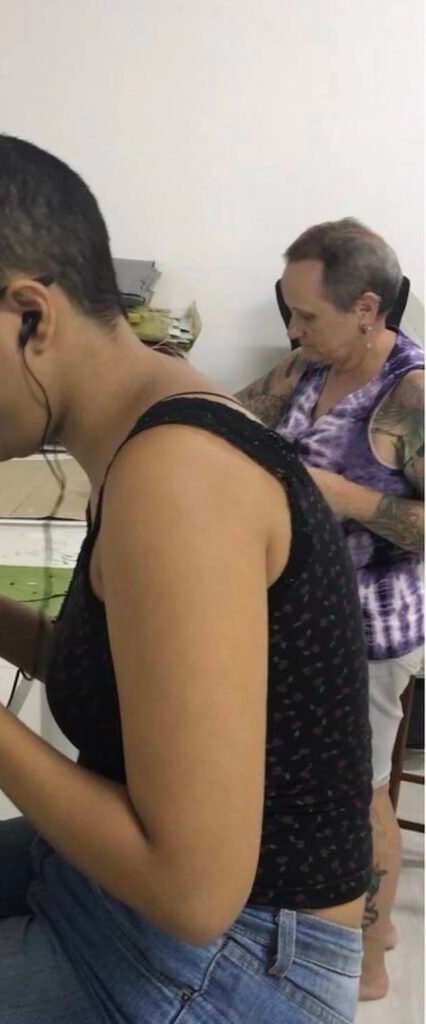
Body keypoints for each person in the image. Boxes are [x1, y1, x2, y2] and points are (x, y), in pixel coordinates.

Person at [0, 134, 373, 1024]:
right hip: (152, 905)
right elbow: (154, 691)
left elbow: (194, 890)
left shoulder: (178, 480)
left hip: (234, 957)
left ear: (30, 316)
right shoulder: (150, 429)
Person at [235, 218, 424, 1002]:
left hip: (375, 630)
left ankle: (372, 954)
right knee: (311, 783)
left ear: (369, 308)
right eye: (290, 311)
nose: (293, 327)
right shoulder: (308, 368)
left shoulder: (411, 392)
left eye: (308, 314)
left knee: (355, 789)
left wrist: (337, 493)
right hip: (306, 617)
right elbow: (233, 414)